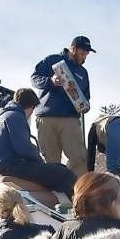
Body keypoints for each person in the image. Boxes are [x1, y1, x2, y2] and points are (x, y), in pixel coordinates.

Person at [0, 88, 77, 199]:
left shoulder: (1, 118)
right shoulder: (16, 117)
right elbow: (23, 148)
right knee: (64, 174)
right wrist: (39, 160)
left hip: (2, 166)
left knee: (56, 168)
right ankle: (78, 208)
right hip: (14, 166)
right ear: (31, 106)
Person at [31, 36, 94, 177]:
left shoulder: (83, 72)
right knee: (51, 160)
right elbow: (34, 78)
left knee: (79, 157)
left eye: (87, 54)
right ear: (73, 49)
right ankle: (54, 194)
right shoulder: (51, 60)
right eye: (83, 53)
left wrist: (86, 105)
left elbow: (86, 96)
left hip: (70, 119)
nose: (85, 57)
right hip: (46, 118)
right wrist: (50, 81)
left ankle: (77, 191)